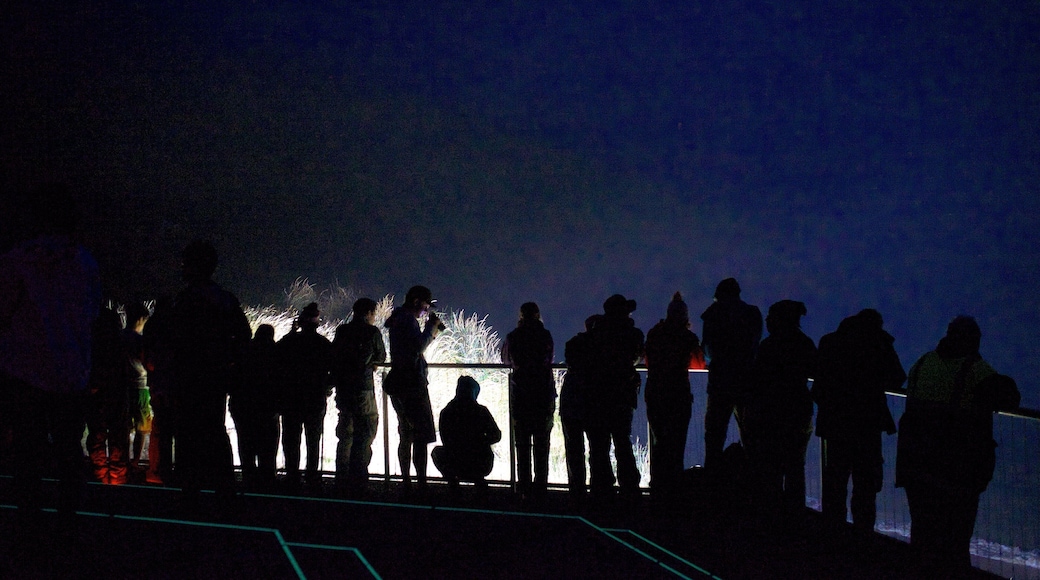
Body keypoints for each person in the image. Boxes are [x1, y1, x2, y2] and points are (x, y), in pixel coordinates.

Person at [0, 182, 102, 514]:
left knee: (27, 452)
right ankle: (70, 522)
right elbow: (92, 316)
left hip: (24, 373)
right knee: (69, 451)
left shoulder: (17, 259)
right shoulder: (85, 262)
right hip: (71, 373)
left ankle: (29, 521)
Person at [896, 316, 1020, 576]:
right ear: (973, 340)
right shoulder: (975, 370)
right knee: (955, 542)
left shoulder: (922, 363)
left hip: (915, 465)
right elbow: (1009, 397)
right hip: (954, 471)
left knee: (923, 535)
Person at [161, 240, 252, 500]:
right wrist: (230, 368)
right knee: (214, 431)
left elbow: (171, 342)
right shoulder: (224, 300)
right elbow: (243, 338)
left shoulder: (185, 300)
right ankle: (224, 489)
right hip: (214, 380)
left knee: (188, 436)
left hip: (188, 379)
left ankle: (191, 490)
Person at [812, 309, 905, 531]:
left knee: (835, 481)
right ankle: (863, 535)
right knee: (865, 487)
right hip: (867, 424)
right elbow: (897, 376)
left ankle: (833, 531)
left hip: (834, 423)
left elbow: (819, 383)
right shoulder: (878, 343)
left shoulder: (830, 342)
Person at [743, 300, 817, 512]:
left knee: (772, 467)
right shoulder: (805, 343)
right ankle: (795, 514)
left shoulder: (768, 346)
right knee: (795, 466)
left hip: (771, 415)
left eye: (770, 316)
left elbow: (756, 381)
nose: (766, 320)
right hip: (798, 413)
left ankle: (773, 514)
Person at [644, 292, 705, 498]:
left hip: (654, 393)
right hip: (678, 395)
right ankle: (673, 490)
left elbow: (647, 360)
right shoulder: (687, 337)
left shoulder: (655, 333)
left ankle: (658, 487)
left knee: (659, 443)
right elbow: (699, 364)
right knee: (677, 444)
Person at [585, 294, 645, 499]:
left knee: (599, 445)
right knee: (622, 442)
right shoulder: (633, 334)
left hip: (598, 395)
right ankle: (629, 487)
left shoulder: (597, 333)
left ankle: (602, 488)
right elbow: (636, 357)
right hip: (622, 395)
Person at [384, 285, 443, 492]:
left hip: (398, 383)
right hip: (412, 384)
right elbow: (417, 347)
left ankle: (406, 481)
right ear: (417, 301)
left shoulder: (398, 318)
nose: (426, 312)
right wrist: (431, 329)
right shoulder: (408, 321)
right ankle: (420, 482)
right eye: (425, 307)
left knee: (405, 433)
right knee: (420, 434)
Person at [700, 277, 762, 471]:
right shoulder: (752, 314)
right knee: (750, 435)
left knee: (714, 435)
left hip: (720, 383)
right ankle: (753, 484)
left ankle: (713, 481)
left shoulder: (713, 314)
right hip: (746, 382)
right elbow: (754, 345)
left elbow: (707, 351)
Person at [331, 298, 386, 497]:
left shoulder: (342, 331)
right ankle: (358, 478)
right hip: (363, 389)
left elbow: (334, 356)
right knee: (365, 432)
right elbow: (381, 356)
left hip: (343, 388)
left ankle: (341, 477)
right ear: (369, 313)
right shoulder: (372, 333)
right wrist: (372, 363)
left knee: (345, 433)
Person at [501, 302, 556, 502]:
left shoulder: (513, 337)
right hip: (543, 395)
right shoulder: (545, 335)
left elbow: (505, 359)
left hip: (521, 395)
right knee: (542, 445)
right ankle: (541, 488)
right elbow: (549, 359)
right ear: (538, 315)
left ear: (521, 316)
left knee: (522, 445)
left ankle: (524, 489)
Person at [276, 302, 334, 491]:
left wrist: (292, 332)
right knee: (313, 437)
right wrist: (327, 386)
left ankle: (292, 475)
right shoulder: (323, 344)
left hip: (291, 396)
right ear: (317, 322)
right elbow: (333, 370)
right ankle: (312, 475)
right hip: (315, 397)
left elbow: (277, 356)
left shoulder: (290, 342)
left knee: (291, 437)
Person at [85, 305, 132, 485]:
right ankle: (117, 477)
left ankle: (99, 475)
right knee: (118, 435)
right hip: (116, 392)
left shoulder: (91, 344)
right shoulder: (119, 344)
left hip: (95, 392)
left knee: (97, 434)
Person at [231, 324, 280, 491]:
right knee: (268, 446)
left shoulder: (244, 351)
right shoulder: (275, 352)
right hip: (268, 408)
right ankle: (268, 478)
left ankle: (248, 477)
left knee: (246, 444)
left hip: (243, 407)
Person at [431, 376, 502, 491]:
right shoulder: (481, 411)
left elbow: (445, 440)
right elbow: (496, 435)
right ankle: (478, 479)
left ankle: (453, 483)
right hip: (479, 461)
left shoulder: (447, 412)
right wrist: (480, 442)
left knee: (437, 452)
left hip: (454, 460)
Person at [560, 315, 599, 503]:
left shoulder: (573, 344)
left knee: (574, 450)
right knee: (597, 449)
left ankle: (577, 492)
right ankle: (597, 490)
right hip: (593, 404)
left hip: (570, 402)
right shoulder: (602, 348)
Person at [123, 301, 153, 478]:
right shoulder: (140, 340)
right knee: (143, 426)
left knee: (125, 426)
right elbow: (147, 361)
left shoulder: (119, 337)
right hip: (141, 386)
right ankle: (135, 463)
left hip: (123, 387)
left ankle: (125, 461)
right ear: (141, 319)